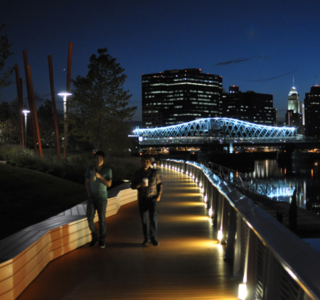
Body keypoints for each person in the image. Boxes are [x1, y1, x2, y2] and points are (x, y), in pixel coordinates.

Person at [131, 155, 162, 246]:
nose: (145, 163)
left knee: (153, 219)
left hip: (152, 198)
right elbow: (132, 186)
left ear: (150, 163)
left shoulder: (154, 172)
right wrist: (139, 185)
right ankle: (146, 239)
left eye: (147, 161)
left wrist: (159, 195)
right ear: (141, 162)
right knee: (144, 220)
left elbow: (159, 184)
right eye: (144, 161)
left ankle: (153, 238)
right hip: (142, 198)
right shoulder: (137, 173)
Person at [85, 151, 112, 248]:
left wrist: (100, 177)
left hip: (102, 198)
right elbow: (87, 182)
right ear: (94, 159)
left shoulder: (107, 170)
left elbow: (109, 184)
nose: (98, 160)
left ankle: (102, 240)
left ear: (103, 160)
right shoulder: (90, 169)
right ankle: (94, 237)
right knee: (89, 218)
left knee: (102, 220)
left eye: (100, 158)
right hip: (92, 198)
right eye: (97, 158)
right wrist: (89, 194)